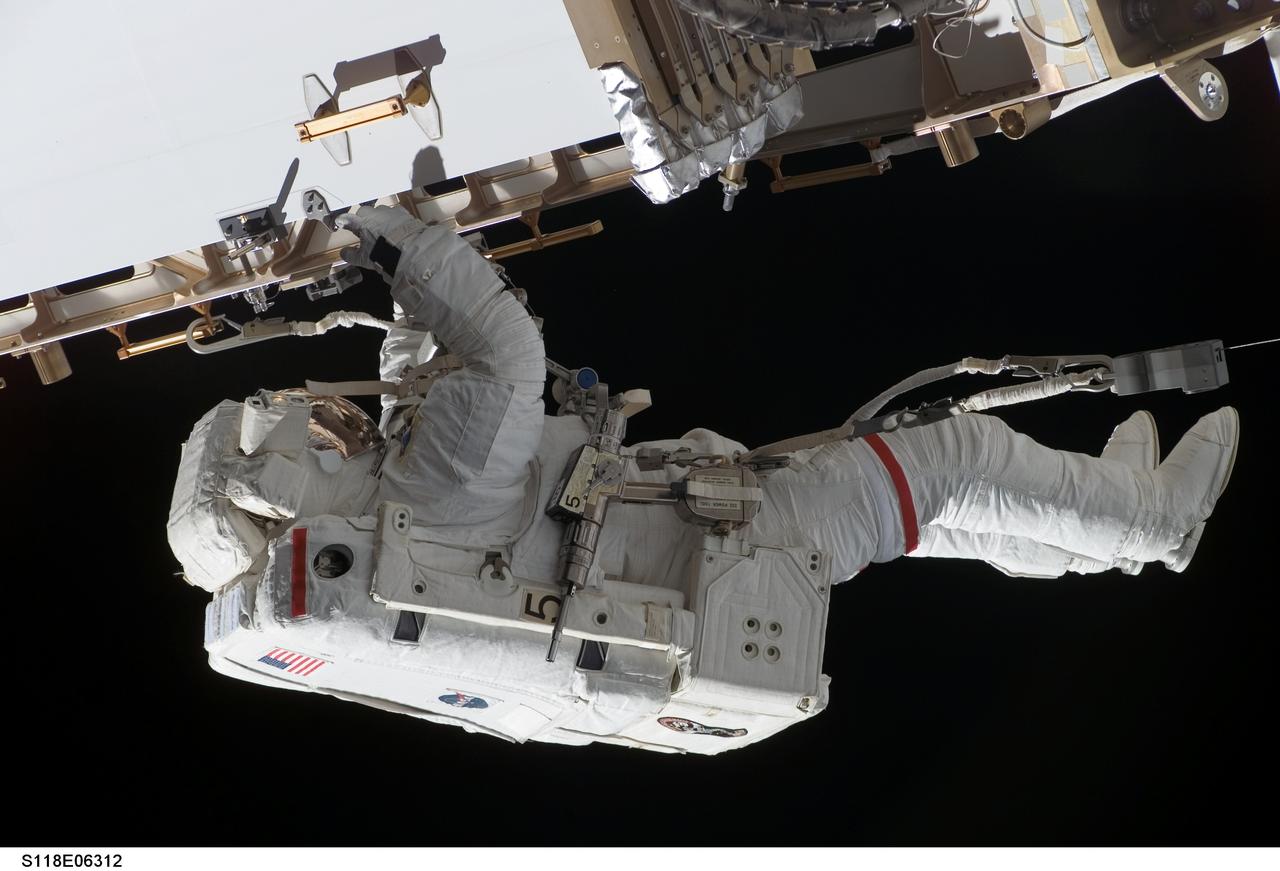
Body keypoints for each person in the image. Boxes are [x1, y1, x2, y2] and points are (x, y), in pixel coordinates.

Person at [168, 206, 1238, 752]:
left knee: (911, 516)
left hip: (688, 570)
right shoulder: (424, 501)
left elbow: (428, 385)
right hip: (723, 560)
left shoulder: (399, 511)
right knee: (946, 457)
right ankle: (1151, 524)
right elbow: (500, 362)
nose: (330, 415)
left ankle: (1090, 533)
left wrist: (406, 291)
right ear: (286, 485)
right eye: (309, 428)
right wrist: (398, 237)